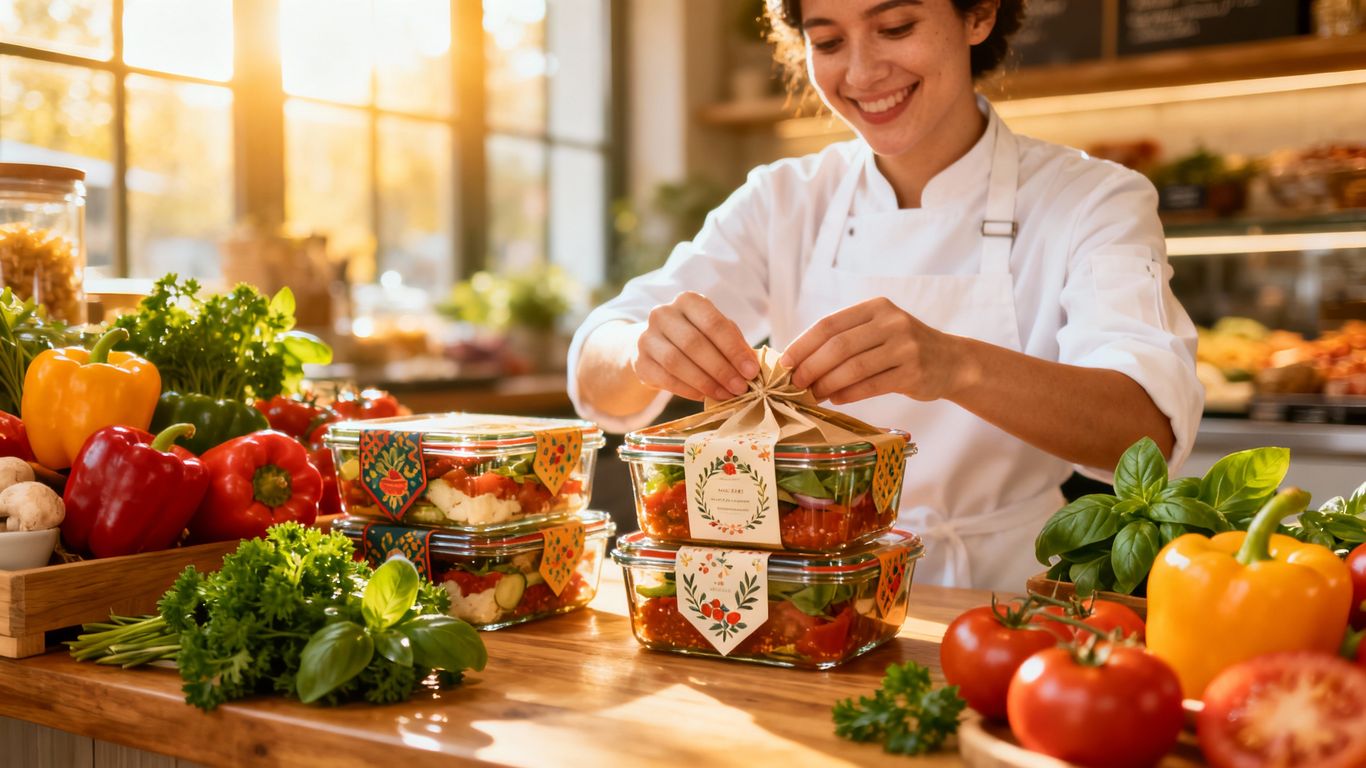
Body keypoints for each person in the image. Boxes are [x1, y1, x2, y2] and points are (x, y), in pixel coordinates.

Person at [568, 0, 1202, 591]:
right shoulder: (784, 199)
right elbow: (598, 373)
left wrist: (955, 364)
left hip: (1007, 595)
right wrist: (641, 351)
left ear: (979, 14)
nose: (863, 71)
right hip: (813, 586)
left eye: (896, 27)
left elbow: (1145, 432)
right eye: (828, 40)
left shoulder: (1093, 198)